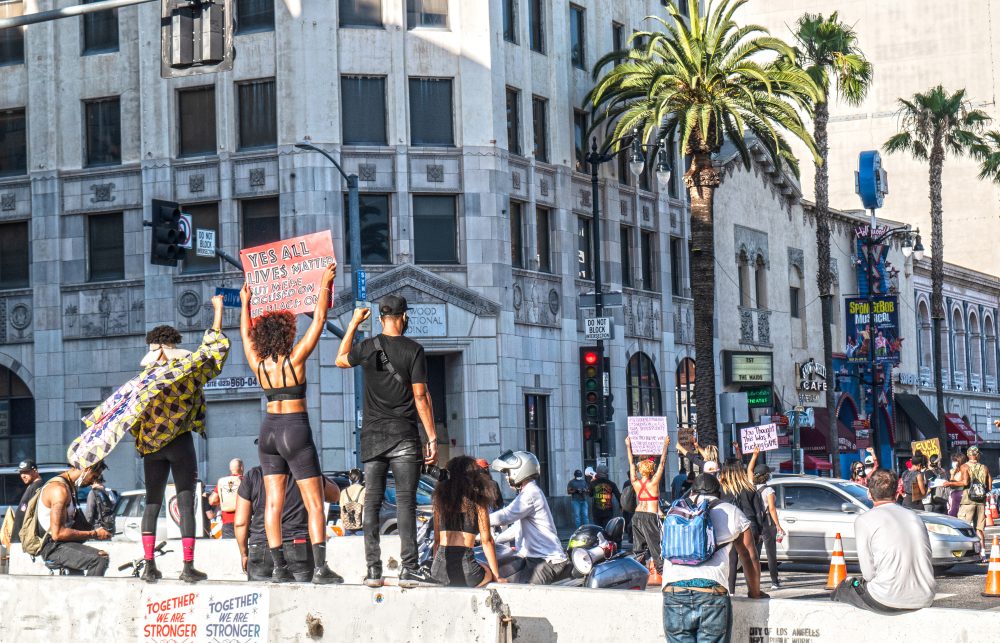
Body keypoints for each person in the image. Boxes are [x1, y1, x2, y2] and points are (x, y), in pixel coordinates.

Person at [105, 294, 230, 583]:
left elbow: (128, 419)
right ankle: (187, 567)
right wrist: (218, 311)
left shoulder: (141, 382)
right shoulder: (185, 372)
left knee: (152, 502)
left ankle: (149, 565)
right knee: (186, 504)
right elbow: (213, 351)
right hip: (181, 443)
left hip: (151, 448)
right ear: (174, 350)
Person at [240, 262, 342, 585]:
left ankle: (279, 567)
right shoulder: (295, 358)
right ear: (287, 332)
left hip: (268, 429)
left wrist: (245, 304)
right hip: (294, 428)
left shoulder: (258, 364)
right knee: (314, 503)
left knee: (272, 502)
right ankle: (322, 568)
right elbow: (321, 320)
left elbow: (244, 333)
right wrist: (323, 286)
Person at [335, 295, 439, 588]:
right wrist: (431, 435)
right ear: (404, 317)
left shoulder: (368, 348)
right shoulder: (414, 350)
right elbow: (420, 396)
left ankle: (373, 570)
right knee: (406, 503)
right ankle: (409, 569)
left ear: (381, 319)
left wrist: (354, 323)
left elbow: (340, 359)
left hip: (372, 436)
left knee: (373, 502)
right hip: (404, 435)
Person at [661, 474, 765, 642]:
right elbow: (749, 556)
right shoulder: (731, 512)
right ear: (719, 493)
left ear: (691, 492)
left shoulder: (674, 513)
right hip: (712, 592)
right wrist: (755, 592)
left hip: (674, 591)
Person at [831, 469, 936, 613]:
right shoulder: (914, 517)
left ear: (869, 493)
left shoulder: (864, 520)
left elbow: (868, 573)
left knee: (844, 588)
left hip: (886, 598)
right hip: (925, 596)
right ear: (897, 493)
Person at [234, 465, 341, 582]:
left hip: (260, 548)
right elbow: (335, 494)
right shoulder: (303, 472)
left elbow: (240, 523)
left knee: (262, 598)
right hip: (299, 546)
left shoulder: (253, 475)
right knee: (300, 598)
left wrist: (244, 553)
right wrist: (313, 469)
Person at [489, 450, 569, 584]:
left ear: (519, 471)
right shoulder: (526, 493)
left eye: (508, 473)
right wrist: (494, 539)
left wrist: (479, 520)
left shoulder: (531, 493)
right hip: (533, 558)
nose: (507, 477)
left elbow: (505, 516)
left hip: (546, 560)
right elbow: (517, 529)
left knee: (528, 596)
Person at [430, 456, 504, 587]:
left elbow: (437, 541)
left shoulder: (439, 500)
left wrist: (437, 571)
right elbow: (487, 541)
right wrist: (496, 576)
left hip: (439, 569)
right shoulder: (478, 500)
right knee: (486, 569)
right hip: (467, 572)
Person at [36, 461, 112, 576]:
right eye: (94, 476)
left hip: (65, 544)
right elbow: (58, 534)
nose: (93, 481)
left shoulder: (69, 487)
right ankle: (91, 594)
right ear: (87, 469)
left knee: (79, 577)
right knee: (100, 559)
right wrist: (94, 534)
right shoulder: (59, 490)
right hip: (53, 547)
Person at [718, 457, 764, 595]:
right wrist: (760, 531)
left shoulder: (722, 489)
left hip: (729, 524)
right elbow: (758, 513)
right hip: (750, 524)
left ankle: (730, 592)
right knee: (750, 558)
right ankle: (754, 590)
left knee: (732, 560)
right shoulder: (750, 488)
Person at [626, 435, 669, 577]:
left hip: (637, 516)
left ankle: (639, 573)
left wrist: (628, 446)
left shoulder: (635, 482)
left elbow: (631, 464)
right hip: (650, 517)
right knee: (656, 548)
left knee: (639, 549)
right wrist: (665, 446)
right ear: (651, 471)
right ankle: (663, 574)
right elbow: (662, 464)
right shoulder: (654, 483)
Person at [945, 446, 992, 559]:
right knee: (979, 529)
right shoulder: (984, 467)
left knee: (963, 526)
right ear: (978, 455)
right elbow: (989, 486)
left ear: (968, 455)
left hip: (968, 501)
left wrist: (949, 483)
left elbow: (964, 482)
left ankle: (965, 553)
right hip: (980, 502)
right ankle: (983, 554)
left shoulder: (964, 467)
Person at [750, 456, 784, 590]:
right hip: (767, 523)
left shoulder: (751, 488)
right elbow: (771, 509)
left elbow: (749, 470)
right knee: (771, 554)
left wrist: (753, 455)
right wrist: (778, 525)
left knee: (755, 555)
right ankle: (774, 582)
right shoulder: (769, 490)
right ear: (766, 476)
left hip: (755, 524)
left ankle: (754, 581)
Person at [208, 458, 244, 539]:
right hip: (243, 521)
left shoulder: (223, 482)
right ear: (241, 468)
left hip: (227, 522)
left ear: (230, 469)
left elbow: (212, 500)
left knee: (229, 549)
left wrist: (222, 501)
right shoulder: (245, 480)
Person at [11, 459, 42, 544]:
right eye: (21, 473)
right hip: (20, 538)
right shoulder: (32, 486)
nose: (23, 475)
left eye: (26, 472)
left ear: (35, 471)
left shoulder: (38, 486)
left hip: (25, 539)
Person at [340, 468, 366, 534]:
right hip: (361, 527)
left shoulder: (343, 492)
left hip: (347, 527)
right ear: (361, 478)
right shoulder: (364, 490)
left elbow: (342, 512)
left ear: (350, 479)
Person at [945, 452, 967, 517]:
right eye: (953, 461)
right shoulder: (956, 471)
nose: (953, 463)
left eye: (955, 461)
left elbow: (953, 485)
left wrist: (951, 475)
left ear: (960, 462)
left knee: (953, 514)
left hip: (958, 495)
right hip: (955, 495)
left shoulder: (961, 472)